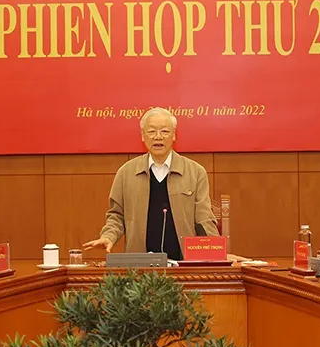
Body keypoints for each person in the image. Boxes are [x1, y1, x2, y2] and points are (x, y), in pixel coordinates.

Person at [83, 107, 218, 260]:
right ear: (143, 136)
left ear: (174, 135)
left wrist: (217, 252)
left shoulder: (195, 172)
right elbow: (116, 215)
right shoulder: (126, 172)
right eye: (152, 131)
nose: (158, 137)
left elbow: (204, 219)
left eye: (165, 131)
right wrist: (108, 236)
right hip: (139, 265)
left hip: (183, 263)